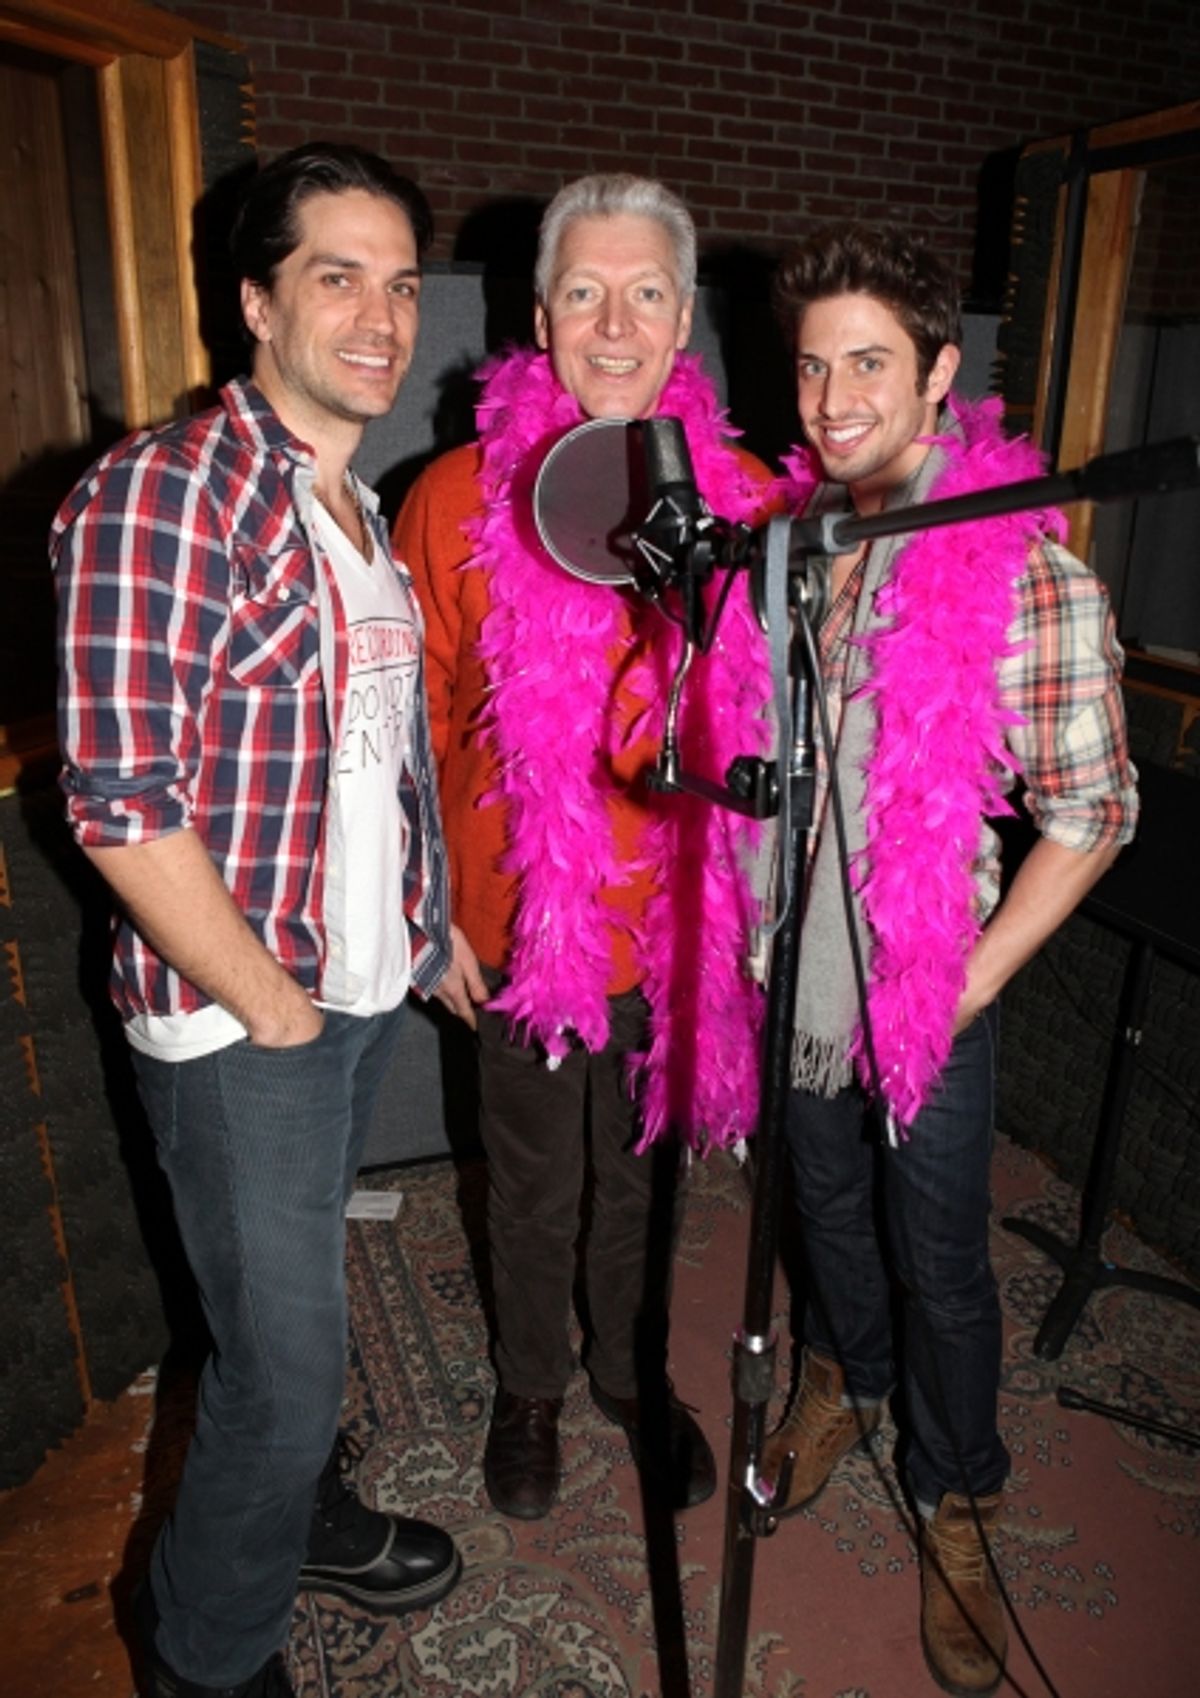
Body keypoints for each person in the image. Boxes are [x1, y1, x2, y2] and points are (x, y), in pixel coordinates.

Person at [52, 144, 476, 1698]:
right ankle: (205, 1662)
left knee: (285, 1312)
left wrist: (422, 929)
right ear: (254, 300)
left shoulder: (350, 504)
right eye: (334, 276)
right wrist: (277, 1007)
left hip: (348, 992)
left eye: (399, 280)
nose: (380, 315)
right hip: (245, 1018)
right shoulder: (162, 496)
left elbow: (366, 758)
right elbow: (119, 801)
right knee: (281, 1370)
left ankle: (297, 1516)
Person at [758, 223, 1139, 1697]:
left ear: (937, 375)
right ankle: (844, 1375)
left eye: (869, 362)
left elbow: (1097, 810)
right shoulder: (798, 545)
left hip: (930, 986)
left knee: (944, 1259)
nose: (835, 394)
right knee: (827, 1210)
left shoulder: (1022, 575)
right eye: (811, 365)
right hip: (795, 978)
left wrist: (965, 983)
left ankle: (961, 1488)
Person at [393, 174, 772, 1520]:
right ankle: (532, 1387)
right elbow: (402, 726)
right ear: (538, 313)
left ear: (685, 326)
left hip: (677, 934)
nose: (616, 324)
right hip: (514, 931)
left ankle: (630, 1371)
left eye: (647, 294)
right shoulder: (448, 498)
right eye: (586, 293)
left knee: (649, 1182)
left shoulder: (746, 504)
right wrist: (421, 909)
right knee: (537, 1179)